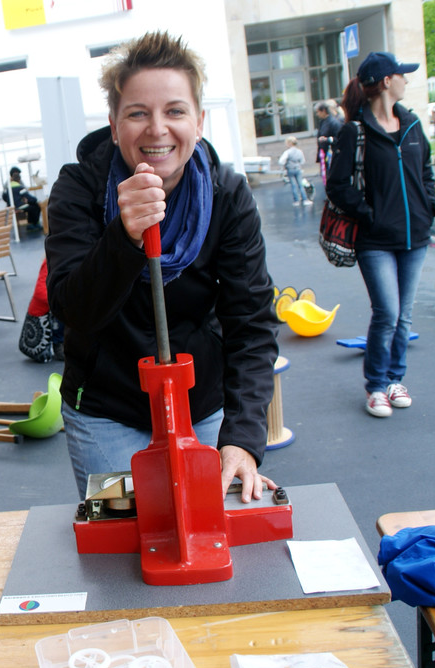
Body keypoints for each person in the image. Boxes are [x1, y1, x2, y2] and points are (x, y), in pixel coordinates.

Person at [45, 31, 279, 502]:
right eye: (137, 113)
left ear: (199, 120)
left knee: (208, 528)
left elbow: (251, 321)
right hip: (106, 414)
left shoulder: (227, 194)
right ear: (114, 126)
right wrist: (125, 237)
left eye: (175, 111)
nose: (157, 130)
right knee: (124, 546)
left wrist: (243, 437)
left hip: (203, 407)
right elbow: (72, 310)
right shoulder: (79, 188)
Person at [326, 51, 435, 419]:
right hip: (375, 240)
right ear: (387, 81)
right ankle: (375, 385)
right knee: (387, 312)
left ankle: (395, 379)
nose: (406, 79)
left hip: (415, 236)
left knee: (404, 315)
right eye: (401, 74)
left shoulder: (412, 124)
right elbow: (338, 185)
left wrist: (429, 208)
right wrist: (368, 215)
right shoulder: (354, 131)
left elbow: (427, 174)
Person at [314, 101, 343, 178]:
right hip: (325, 154)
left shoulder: (334, 123)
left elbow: (339, 139)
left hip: (332, 155)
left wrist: (328, 139)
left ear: (323, 111)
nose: (317, 114)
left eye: (318, 112)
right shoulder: (322, 122)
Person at [278, 137, 310, 206]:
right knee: (300, 185)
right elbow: (302, 161)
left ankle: (296, 201)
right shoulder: (299, 151)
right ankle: (305, 199)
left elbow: (281, 161)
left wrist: (285, 164)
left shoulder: (287, 152)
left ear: (289, 143)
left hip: (290, 169)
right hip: (298, 169)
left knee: (293, 185)